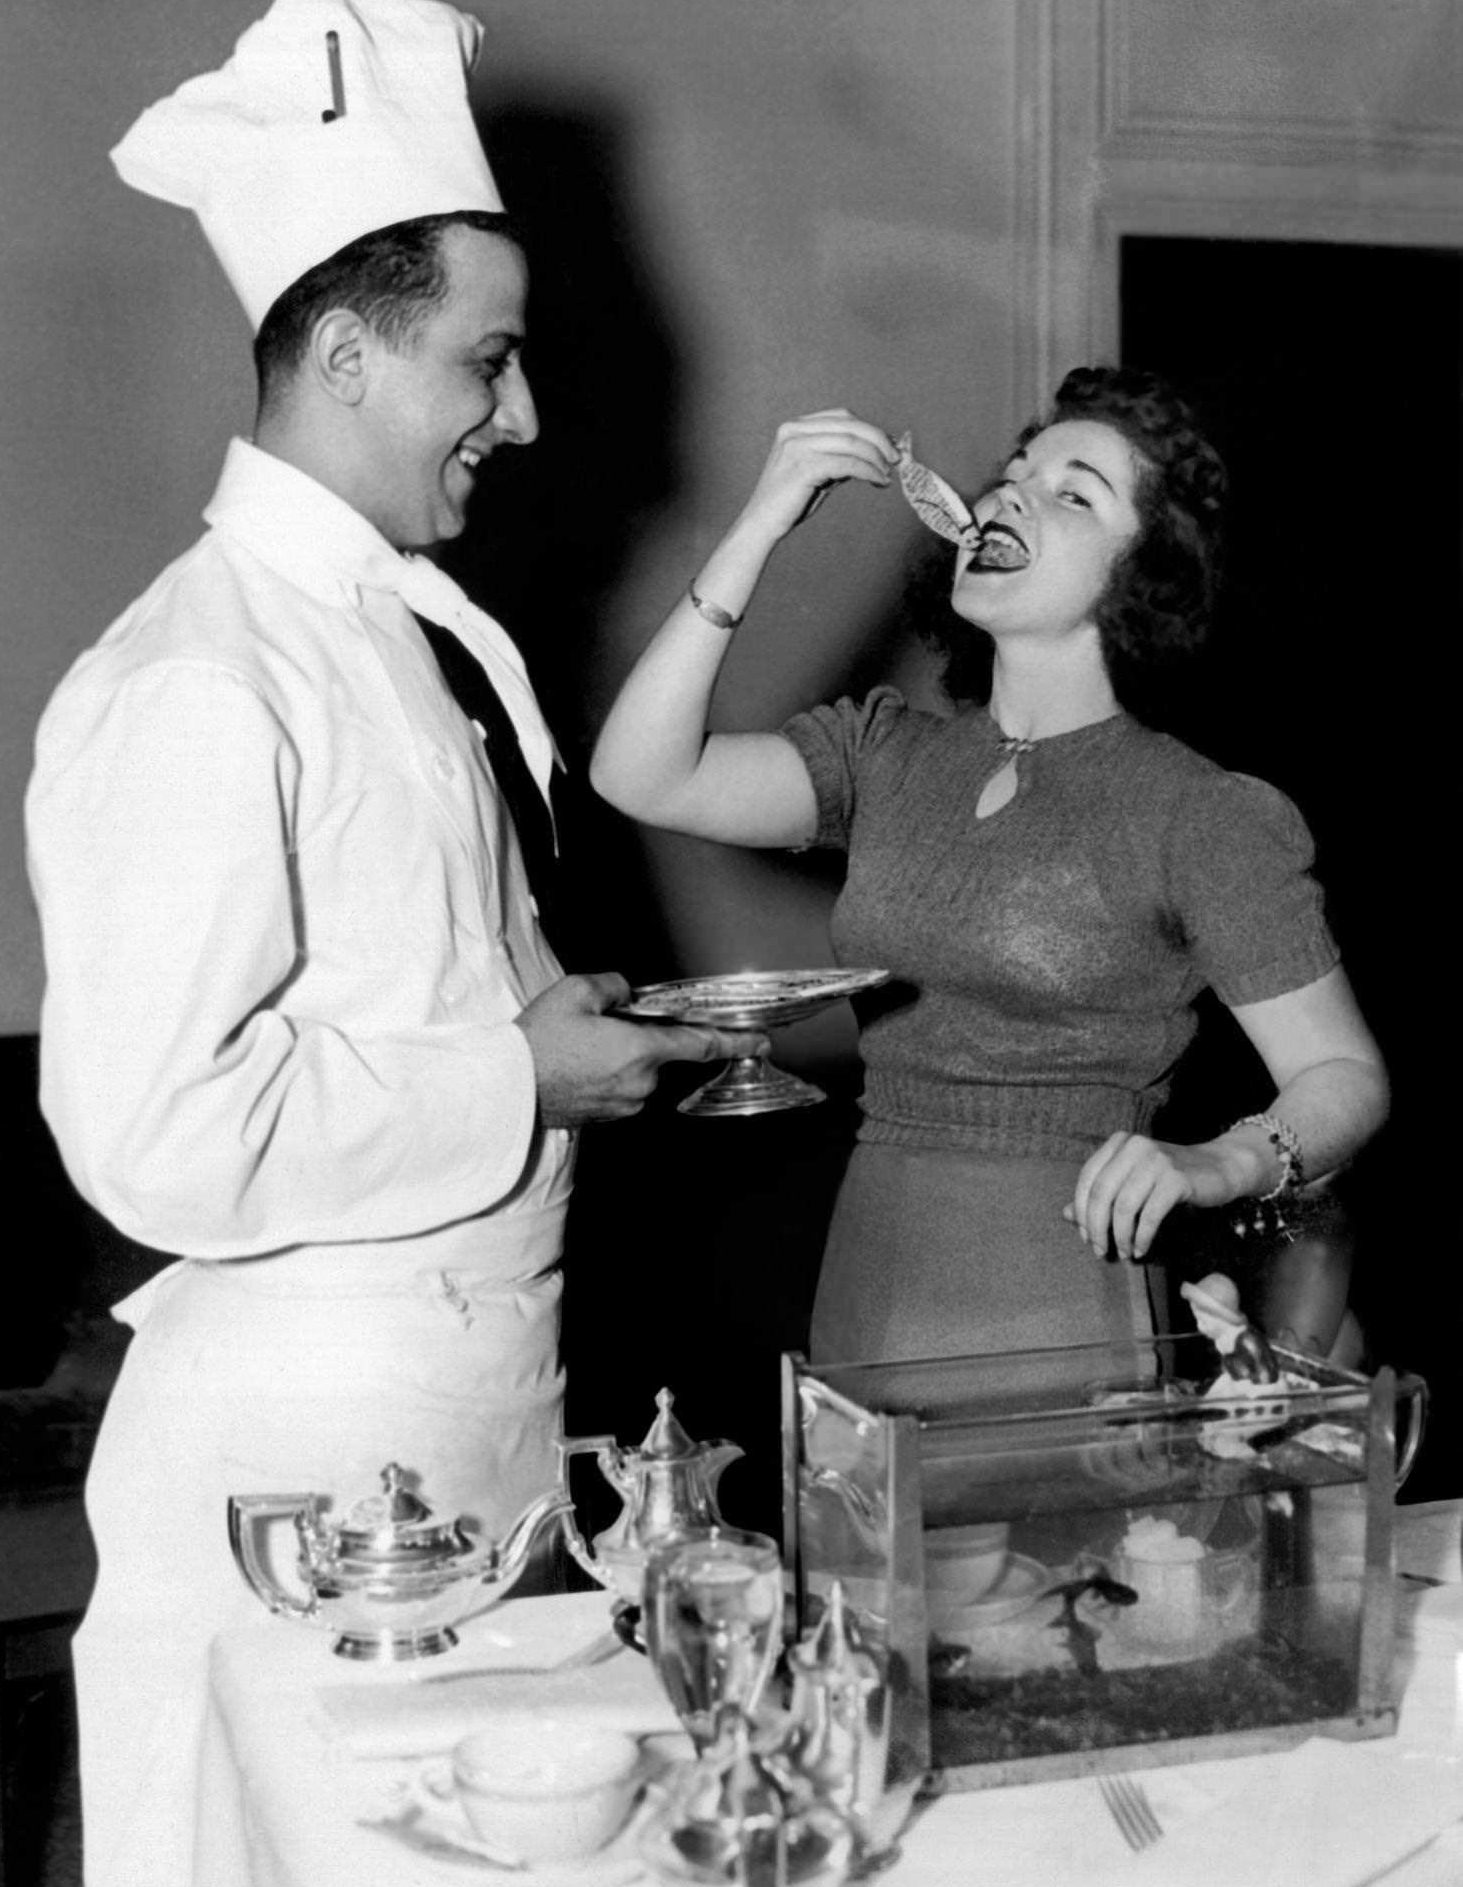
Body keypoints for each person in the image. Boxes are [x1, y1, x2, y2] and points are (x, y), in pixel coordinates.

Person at [25, 0, 754, 1887]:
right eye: (484, 362)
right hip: (303, 1459)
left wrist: (576, 1033)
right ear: (348, 354)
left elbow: (434, 985)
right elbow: (157, 1131)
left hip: (475, 1399)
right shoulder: (195, 675)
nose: (520, 416)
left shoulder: (423, 634)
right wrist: (526, 1076)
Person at [590, 369, 1389, 1367]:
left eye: (1073, 490)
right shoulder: (882, 751)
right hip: (865, 1283)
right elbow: (641, 772)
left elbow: (1344, 1073)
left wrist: (1222, 1159)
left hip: (1056, 1301)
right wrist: (761, 522)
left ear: (1141, 572)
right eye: (1014, 472)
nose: (1010, 491)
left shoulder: (1199, 812)